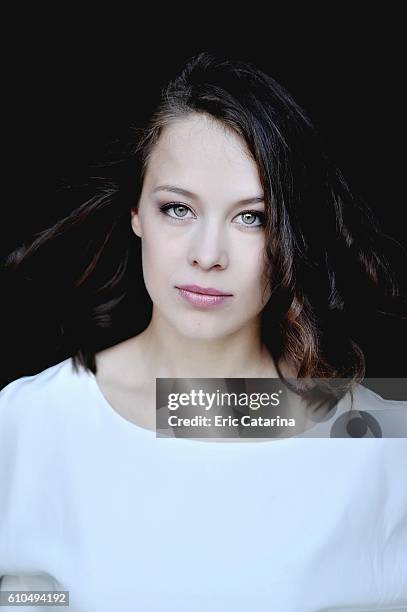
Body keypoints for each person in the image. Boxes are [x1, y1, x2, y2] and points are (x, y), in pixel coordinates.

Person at [0, 51, 406, 610]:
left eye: (252, 217)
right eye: (177, 209)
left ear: (292, 233)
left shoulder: (378, 448)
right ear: (137, 212)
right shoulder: (24, 424)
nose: (208, 255)